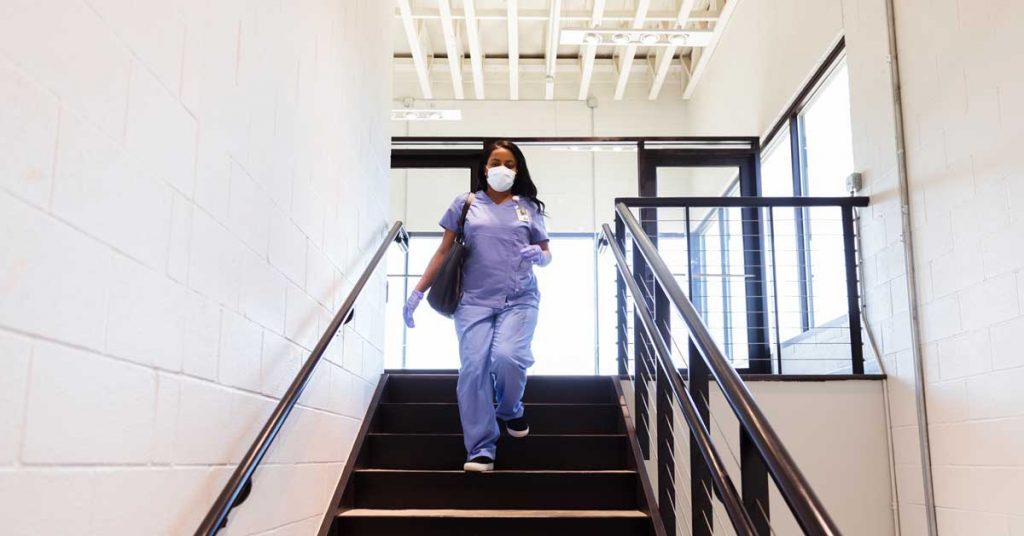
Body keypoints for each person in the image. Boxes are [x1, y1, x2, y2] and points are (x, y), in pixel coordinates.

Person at [402, 140, 551, 472]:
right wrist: (417, 292)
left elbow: (546, 253)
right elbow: (443, 252)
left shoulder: (528, 207)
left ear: (518, 169)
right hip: (473, 302)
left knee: (509, 358)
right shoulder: (466, 204)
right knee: (473, 370)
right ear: (485, 167)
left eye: (510, 164)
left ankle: (511, 409)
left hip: (520, 299)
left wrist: (539, 256)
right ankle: (482, 448)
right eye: (496, 162)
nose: (502, 168)